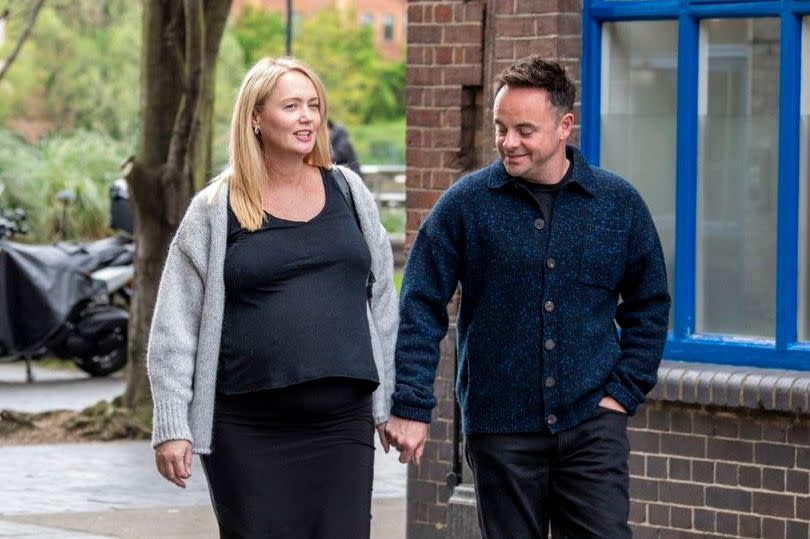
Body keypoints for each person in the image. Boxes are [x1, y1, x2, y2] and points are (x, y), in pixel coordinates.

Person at [384, 55, 670, 538]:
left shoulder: (617, 205)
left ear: (564, 126)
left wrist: (624, 391)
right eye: (500, 127)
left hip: (592, 426)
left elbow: (650, 302)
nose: (508, 142)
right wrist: (411, 403)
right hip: (501, 429)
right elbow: (419, 301)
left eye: (524, 129)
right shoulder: (467, 205)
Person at [147, 56, 398, 538]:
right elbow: (175, 326)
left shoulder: (349, 192)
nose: (307, 117)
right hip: (247, 431)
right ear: (256, 118)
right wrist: (172, 424)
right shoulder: (215, 209)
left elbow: (383, 303)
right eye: (291, 106)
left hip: (341, 425)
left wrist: (392, 402)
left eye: (314, 105)